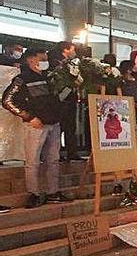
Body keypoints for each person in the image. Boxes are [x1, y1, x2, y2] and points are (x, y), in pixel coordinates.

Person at [2, 48, 71, 208]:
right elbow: (7, 101)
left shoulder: (50, 78)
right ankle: (33, 193)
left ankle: (52, 192)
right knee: (33, 161)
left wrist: (70, 87)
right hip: (36, 125)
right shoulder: (22, 79)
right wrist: (28, 116)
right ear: (32, 60)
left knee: (53, 160)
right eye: (42, 59)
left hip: (53, 124)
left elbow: (58, 98)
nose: (46, 62)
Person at [53, 41, 82, 162]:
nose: (74, 53)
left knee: (71, 127)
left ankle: (72, 152)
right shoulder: (56, 63)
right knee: (60, 127)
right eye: (73, 49)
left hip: (71, 98)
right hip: (61, 99)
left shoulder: (72, 64)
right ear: (65, 50)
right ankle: (56, 153)